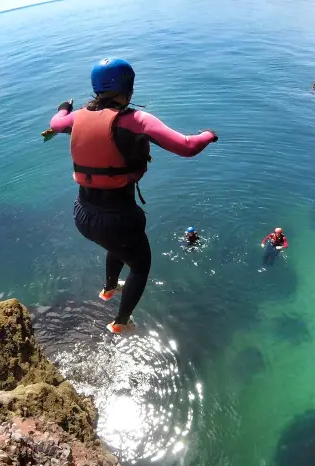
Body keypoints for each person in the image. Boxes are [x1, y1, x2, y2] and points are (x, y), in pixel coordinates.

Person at [49, 58, 218, 334]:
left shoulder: (77, 117)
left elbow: (56, 123)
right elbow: (187, 147)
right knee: (140, 267)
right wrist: (208, 135)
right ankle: (120, 322)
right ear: (128, 88)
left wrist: (64, 107)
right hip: (119, 220)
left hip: (82, 215)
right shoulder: (136, 120)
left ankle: (108, 288)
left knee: (115, 247)